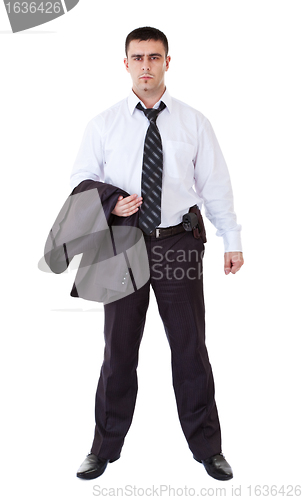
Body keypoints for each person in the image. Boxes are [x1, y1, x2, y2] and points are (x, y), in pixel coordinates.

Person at [73, 26, 244, 481]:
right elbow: (81, 181)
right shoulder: (104, 124)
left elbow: (215, 186)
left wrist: (233, 239)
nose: (145, 65)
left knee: (190, 349)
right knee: (118, 350)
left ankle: (208, 448)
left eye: (154, 57)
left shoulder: (193, 122)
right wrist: (112, 201)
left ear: (168, 62)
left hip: (179, 243)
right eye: (137, 57)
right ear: (125, 63)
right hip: (123, 243)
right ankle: (104, 448)